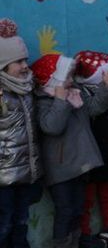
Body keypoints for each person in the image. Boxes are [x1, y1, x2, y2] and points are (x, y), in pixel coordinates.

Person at [33, 54, 108, 248]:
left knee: (78, 210)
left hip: (80, 164)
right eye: (67, 77)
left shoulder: (75, 93)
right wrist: (61, 101)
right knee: (65, 211)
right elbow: (52, 127)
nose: (72, 80)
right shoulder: (43, 102)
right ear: (53, 80)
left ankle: (77, 242)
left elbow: (95, 108)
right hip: (60, 169)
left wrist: (106, 87)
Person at [73, 51, 108, 247]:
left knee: (106, 189)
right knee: (86, 198)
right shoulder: (79, 90)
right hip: (88, 152)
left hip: (106, 148)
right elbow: (94, 109)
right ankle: (84, 234)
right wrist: (106, 86)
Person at [0, 18, 43, 248]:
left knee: (21, 221)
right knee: (4, 224)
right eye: (18, 61)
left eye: (25, 59)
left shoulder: (27, 87)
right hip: (3, 177)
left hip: (26, 171)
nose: (25, 66)